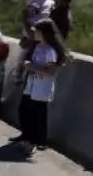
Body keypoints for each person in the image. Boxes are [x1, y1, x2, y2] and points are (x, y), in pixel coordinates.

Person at [13, 18, 69, 157]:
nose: (35, 34)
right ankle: (26, 136)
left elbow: (51, 72)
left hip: (42, 87)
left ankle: (37, 141)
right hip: (31, 84)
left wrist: (33, 67)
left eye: (37, 31)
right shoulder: (38, 47)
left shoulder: (50, 51)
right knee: (24, 110)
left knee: (38, 115)